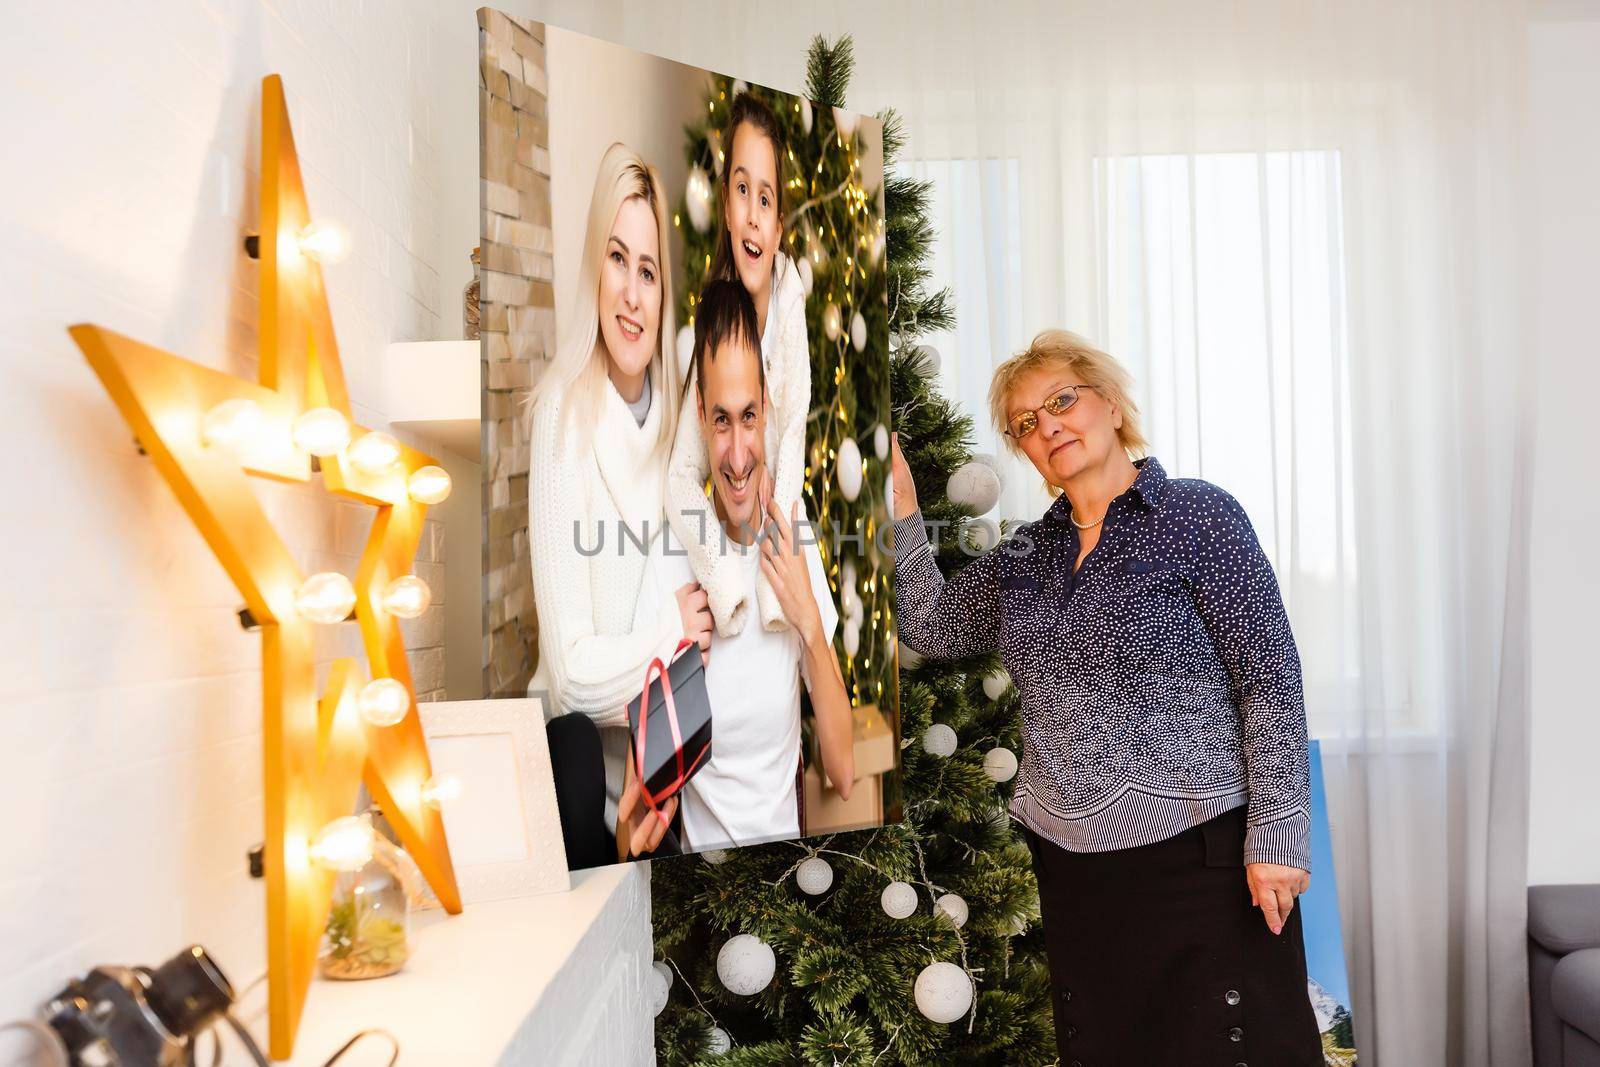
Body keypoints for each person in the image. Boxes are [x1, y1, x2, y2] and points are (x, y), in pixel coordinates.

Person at [889, 328, 1323, 1064]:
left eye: (1062, 400)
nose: (1048, 425)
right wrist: (901, 506)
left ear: (1113, 404)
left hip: (1206, 866)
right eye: (1025, 422)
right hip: (1078, 878)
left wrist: (1277, 834)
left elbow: (1270, 677)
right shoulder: (1026, 554)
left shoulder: (1198, 516)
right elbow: (929, 624)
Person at [527, 143, 713, 868]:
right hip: (581, 796)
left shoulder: (681, 427)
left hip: (664, 781)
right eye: (616, 259)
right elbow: (571, 678)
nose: (632, 295)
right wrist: (669, 633)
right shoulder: (560, 419)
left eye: (648, 271)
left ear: (664, 292)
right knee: (573, 746)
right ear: (592, 269)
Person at [630, 278, 854, 852]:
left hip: (784, 871)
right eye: (722, 420)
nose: (735, 455)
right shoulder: (671, 557)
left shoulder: (791, 546)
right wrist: (668, 644)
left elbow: (844, 771)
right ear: (700, 415)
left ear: (768, 415)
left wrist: (808, 620)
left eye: (749, 417)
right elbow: (638, 809)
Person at [667, 91, 811, 638]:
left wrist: (777, 589)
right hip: (730, 535)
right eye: (743, 191)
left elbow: (793, 430)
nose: (752, 216)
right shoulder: (715, 323)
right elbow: (681, 475)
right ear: (726, 206)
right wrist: (726, 584)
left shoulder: (789, 303)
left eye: (766, 200)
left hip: (777, 535)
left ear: (777, 228)